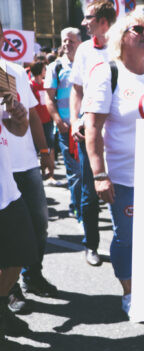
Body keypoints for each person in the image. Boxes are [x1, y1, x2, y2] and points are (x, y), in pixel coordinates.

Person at [82, 11, 144, 351]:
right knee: (128, 239)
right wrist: (100, 174)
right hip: (123, 178)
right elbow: (93, 128)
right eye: (138, 28)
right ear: (122, 34)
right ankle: (129, 289)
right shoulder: (109, 73)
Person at [1, 24, 58, 311]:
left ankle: (32, 277)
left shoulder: (13, 72)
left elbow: (30, 116)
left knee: (38, 224)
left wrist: (45, 151)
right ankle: (11, 294)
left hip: (24, 165)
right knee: (8, 238)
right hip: (3, 170)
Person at [70, 0, 116, 266]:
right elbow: (77, 89)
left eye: (88, 18)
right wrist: (76, 120)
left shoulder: (122, 45)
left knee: (123, 189)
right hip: (91, 131)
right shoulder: (85, 49)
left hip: (119, 131)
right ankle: (91, 245)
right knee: (90, 192)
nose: (84, 23)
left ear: (103, 21)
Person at [0, 57, 36, 351]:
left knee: (21, 252)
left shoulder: (3, 82)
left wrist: (18, 113)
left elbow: (18, 130)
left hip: (7, 191)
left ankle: (1, 308)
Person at [45, 27, 82, 221]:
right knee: (75, 173)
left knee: (89, 172)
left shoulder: (87, 64)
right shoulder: (55, 67)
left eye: (71, 40)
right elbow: (49, 98)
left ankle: (82, 204)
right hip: (66, 130)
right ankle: (78, 208)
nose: (67, 44)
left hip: (87, 128)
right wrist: (58, 121)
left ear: (80, 42)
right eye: (64, 41)